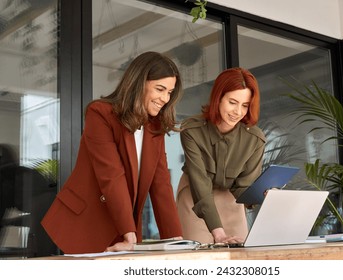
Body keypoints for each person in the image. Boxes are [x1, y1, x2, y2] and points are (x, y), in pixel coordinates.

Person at [41, 51, 184, 254]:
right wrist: (129, 232)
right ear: (139, 83)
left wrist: (176, 240)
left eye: (169, 92)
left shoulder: (155, 128)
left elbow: (161, 184)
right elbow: (111, 175)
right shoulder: (100, 113)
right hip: (83, 224)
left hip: (124, 227)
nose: (165, 98)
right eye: (160, 89)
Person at [176, 67, 266, 244]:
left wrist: (263, 194)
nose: (238, 112)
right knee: (200, 257)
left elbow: (244, 186)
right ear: (218, 98)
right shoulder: (192, 131)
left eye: (245, 105)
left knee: (240, 259)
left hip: (232, 201)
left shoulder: (254, 139)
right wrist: (218, 233)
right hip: (195, 199)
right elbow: (199, 182)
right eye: (232, 102)